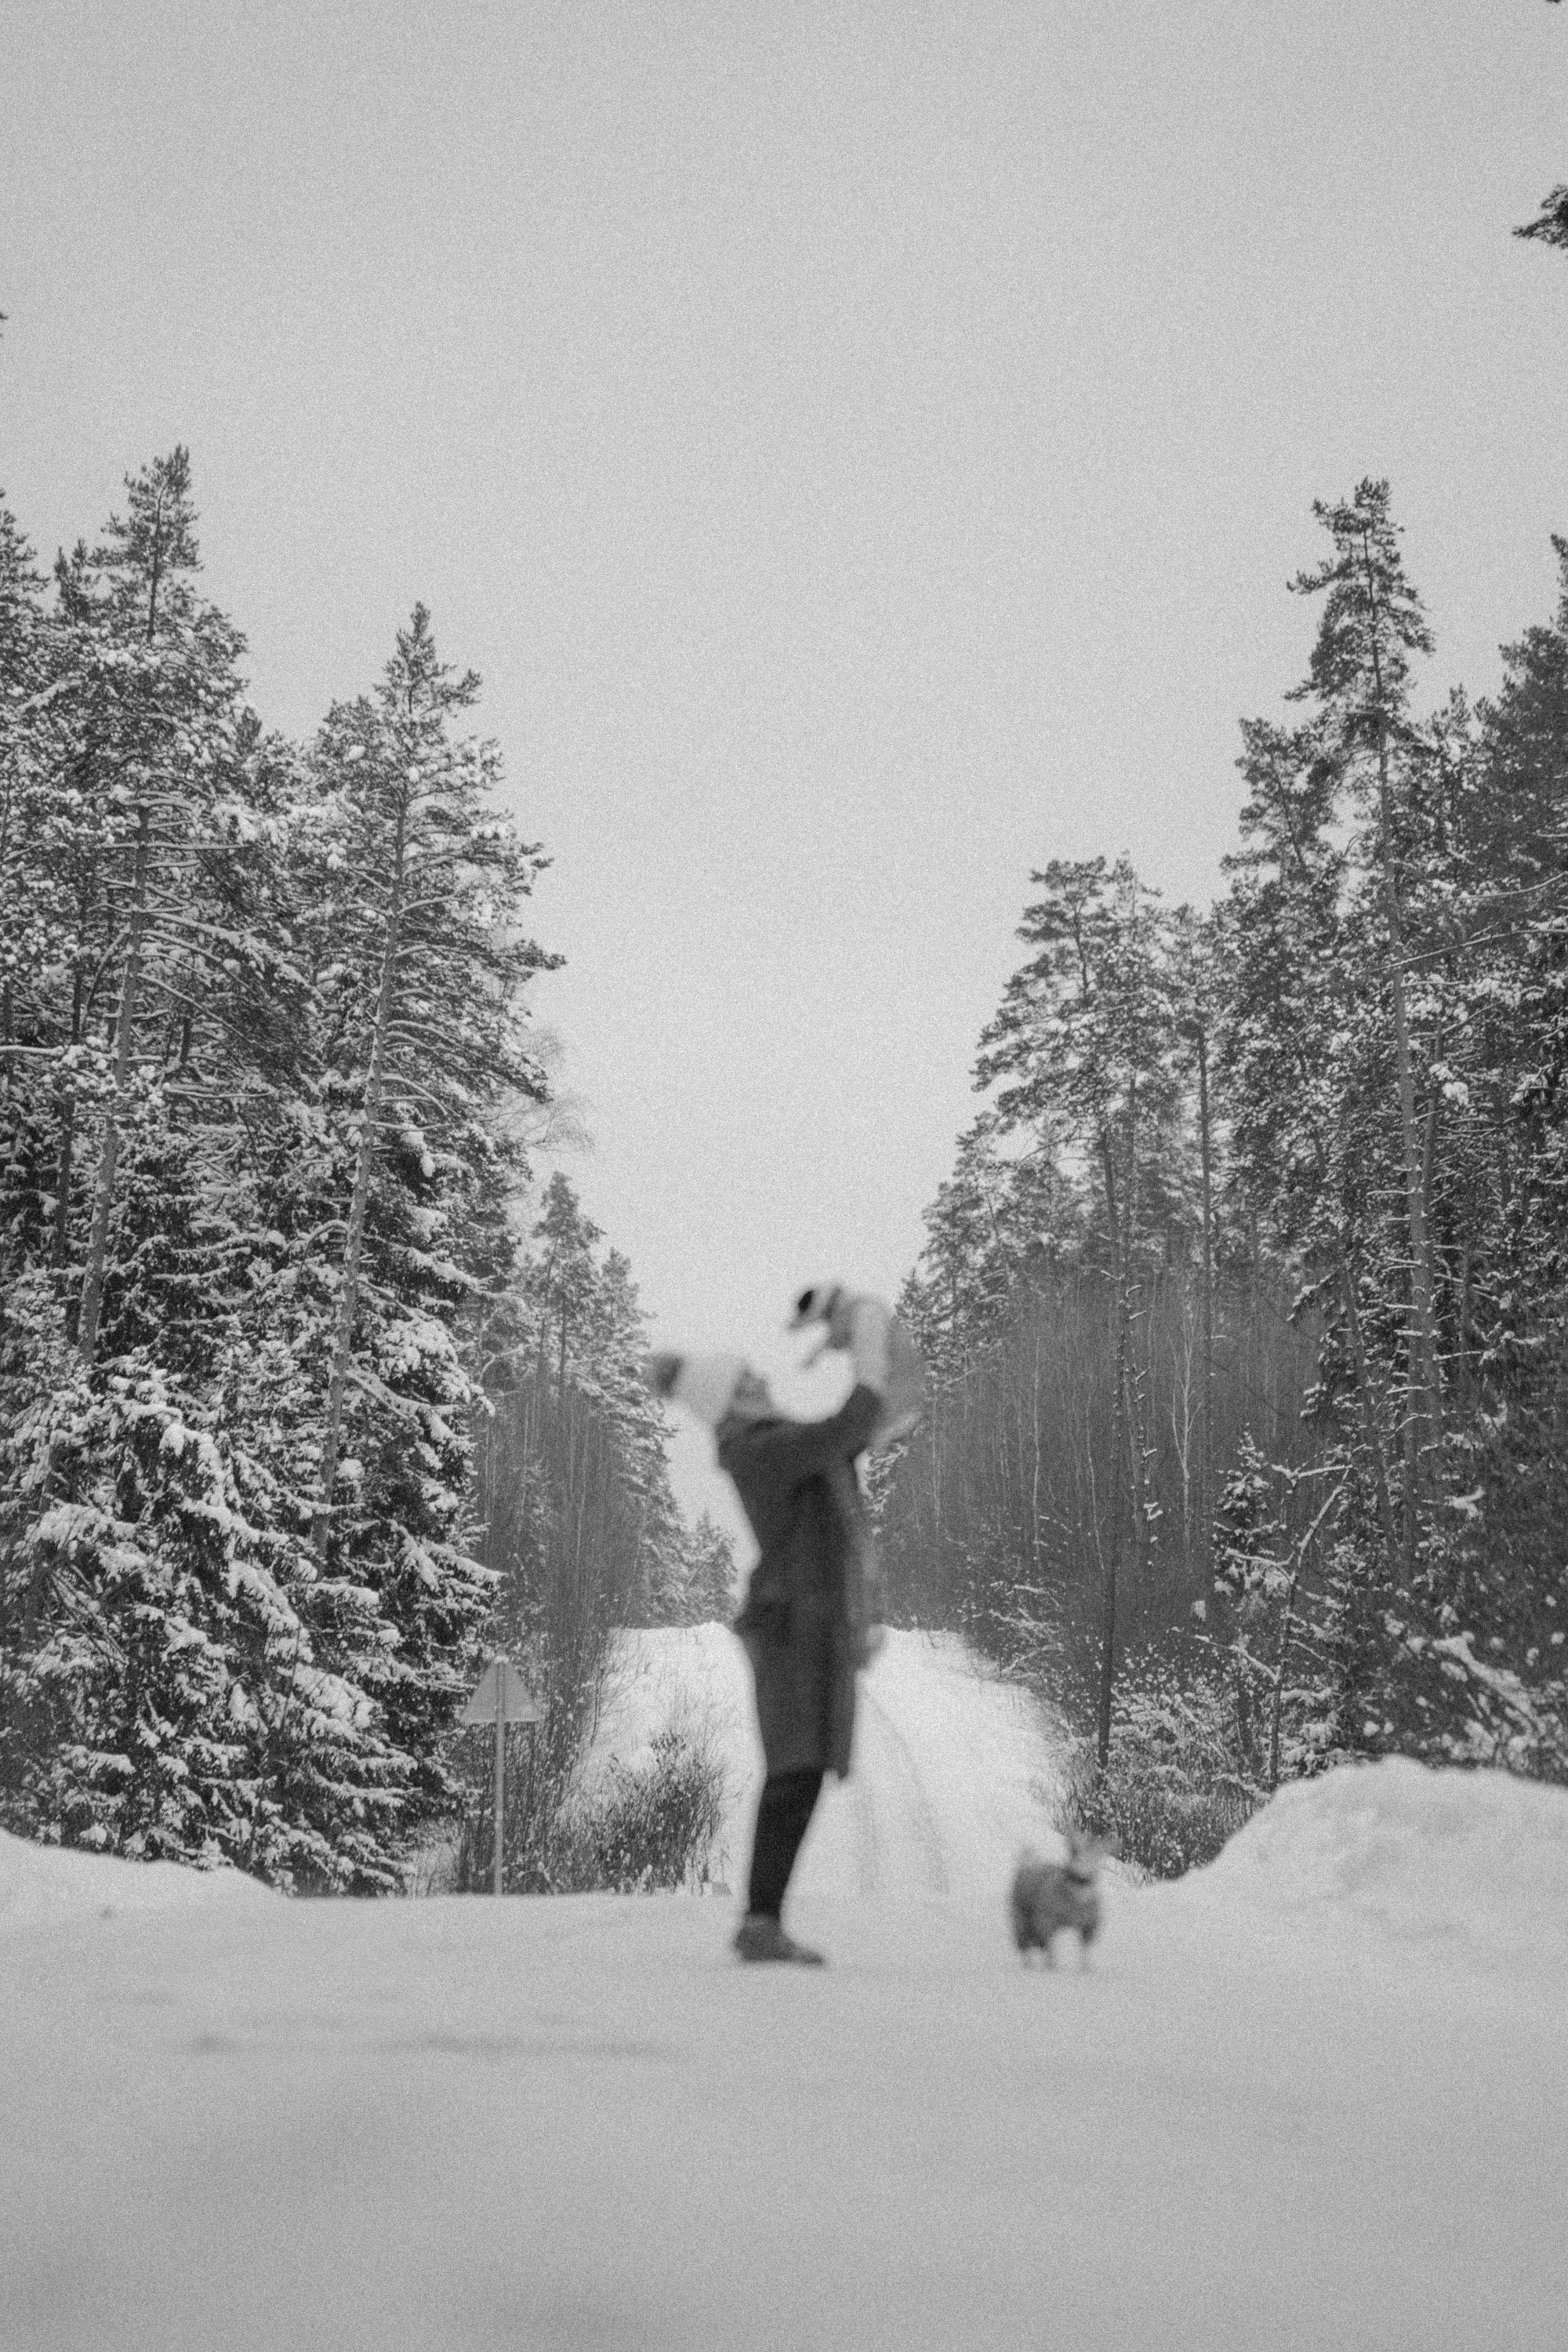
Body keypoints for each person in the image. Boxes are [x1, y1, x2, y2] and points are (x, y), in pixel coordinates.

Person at [648, 1288, 924, 1965]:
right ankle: (760, 1921)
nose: (764, 1379)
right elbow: (841, 1433)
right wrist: (865, 1358)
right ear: (730, 1402)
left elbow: (846, 1442)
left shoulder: (770, 1445)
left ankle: (762, 1919)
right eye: (748, 1380)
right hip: (790, 1622)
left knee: (805, 1766)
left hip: (808, 1618)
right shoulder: (759, 1449)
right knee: (797, 1766)